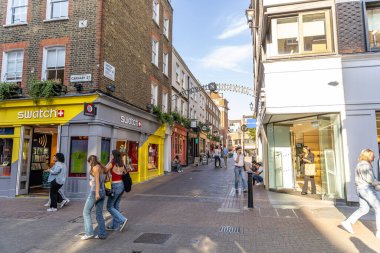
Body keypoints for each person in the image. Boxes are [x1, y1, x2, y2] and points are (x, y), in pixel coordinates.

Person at [341, 149, 380, 237]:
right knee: (379, 208)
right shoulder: (365, 165)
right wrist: (377, 183)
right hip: (367, 189)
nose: (374, 156)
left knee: (364, 209)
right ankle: (379, 232)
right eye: (372, 155)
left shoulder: (361, 164)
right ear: (367, 155)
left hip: (361, 189)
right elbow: (370, 179)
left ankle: (347, 222)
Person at [81, 155, 107, 240]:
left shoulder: (95, 168)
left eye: (88, 163)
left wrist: (96, 193)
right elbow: (104, 180)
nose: (89, 164)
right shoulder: (102, 167)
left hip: (95, 192)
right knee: (99, 214)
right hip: (103, 191)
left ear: (90, 161)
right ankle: (102, 234)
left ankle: (89, 233)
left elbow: (96, 182)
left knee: (86, 212)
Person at [105, 150, 129, 232]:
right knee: (116, 206)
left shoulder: (112, 163)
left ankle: (122, 219)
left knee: (109, 206)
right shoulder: (122, 164)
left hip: (115, 185)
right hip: (121, 185)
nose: (111, 155)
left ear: (114, 155)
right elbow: (125, 173)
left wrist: (109, 162)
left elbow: (104, 170)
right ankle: (114, 226)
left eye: (111, 154)